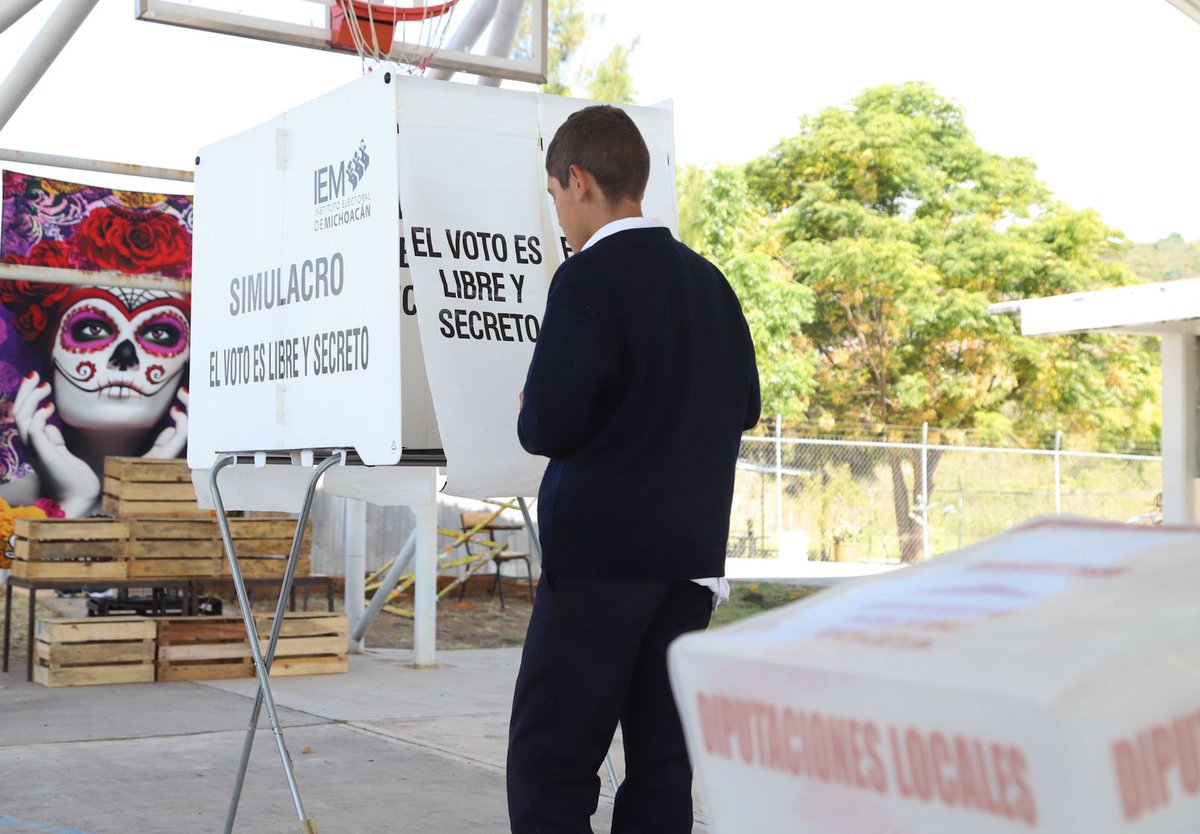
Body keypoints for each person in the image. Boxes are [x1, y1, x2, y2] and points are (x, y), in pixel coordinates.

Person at [509, 105, 760, 833]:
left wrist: (536, 401)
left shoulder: (586, 278)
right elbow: (743, 406)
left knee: (550, 763)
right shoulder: (712, 284)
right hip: (689, 565)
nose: (557, 211)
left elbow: (545, 425)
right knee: (662, 766)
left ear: (579, 181)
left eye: (554, 193)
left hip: (600, 565)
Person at [0, 284, 189, 517]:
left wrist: (140, 493)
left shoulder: (216, 503)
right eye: (92, 328)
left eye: (158, 333)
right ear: (49, 352)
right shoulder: (8, 505)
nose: (125, 357)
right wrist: (76, 502)